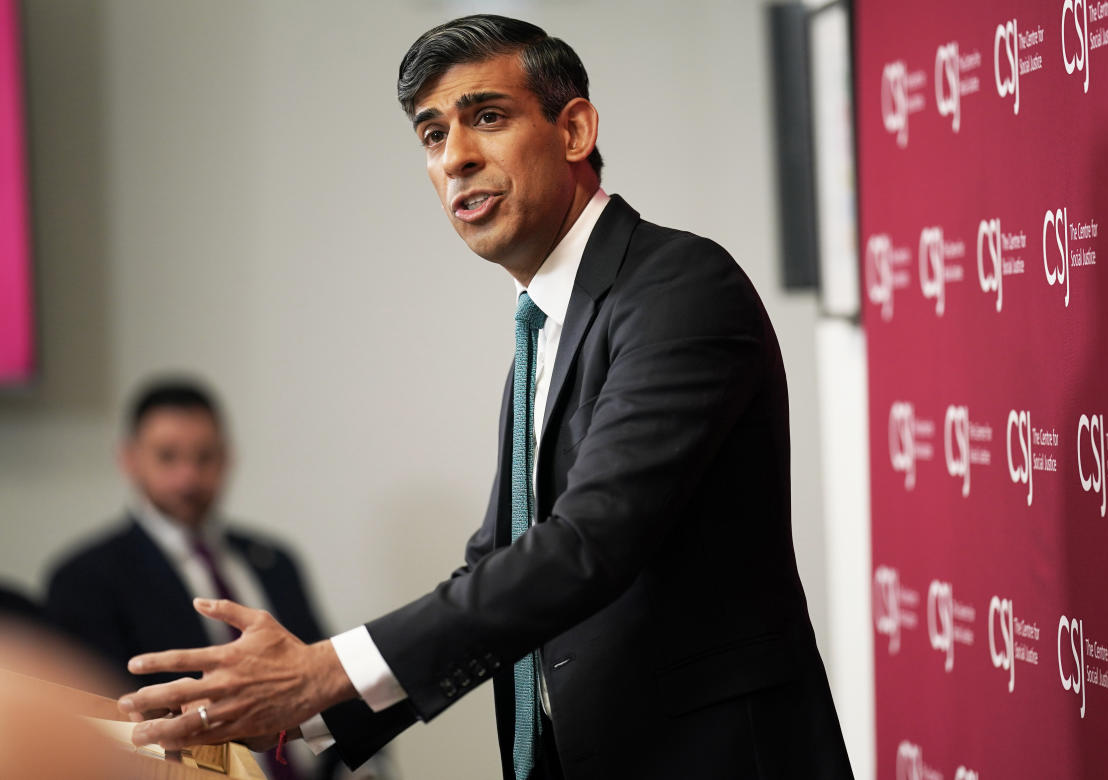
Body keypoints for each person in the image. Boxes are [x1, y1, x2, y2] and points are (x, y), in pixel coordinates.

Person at [119, 15, 854, 780]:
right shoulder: (543, 329)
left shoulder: (679, 287)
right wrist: (296, 703)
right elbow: (498, 564)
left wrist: (326, 671)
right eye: (432, 136)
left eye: (488, 118)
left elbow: (587, 544)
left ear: (573, 129)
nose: (456, 157)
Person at [45, 378, 378, 780]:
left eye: (205, 457)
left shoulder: (275, 561)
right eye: (168, 457)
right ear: (130, 459)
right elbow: (106, 724)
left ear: (227, 458)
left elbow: (326, 679)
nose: (188, 477)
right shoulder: (85, 578)